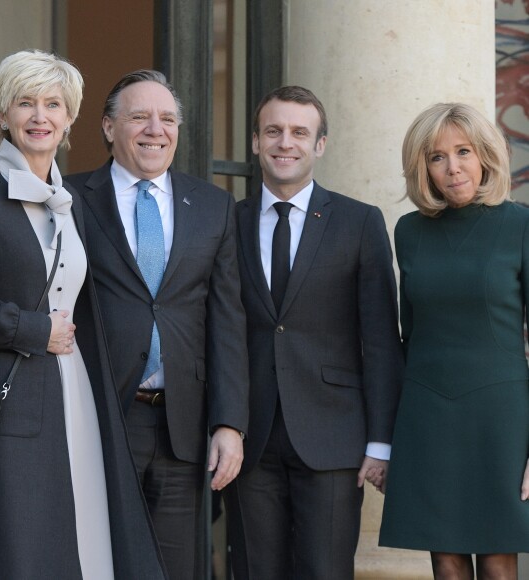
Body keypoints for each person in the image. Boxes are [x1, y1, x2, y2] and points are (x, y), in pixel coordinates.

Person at [0, 50, 166, 579]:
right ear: (3, 114)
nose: (40, 116)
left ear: (70, 119)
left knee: (81, 542)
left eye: (53, 104)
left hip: (74, 396)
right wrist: (33, 328)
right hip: (7, 407)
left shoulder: (70, 201)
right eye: (25, 103)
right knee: (19, 550)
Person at [66, 69, 249, 580]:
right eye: (140, 116)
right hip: (100, 415)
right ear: (108, 127)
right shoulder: (72, 199)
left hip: (182, 425)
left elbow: (228, 319)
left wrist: (229, 423)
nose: (155, 129)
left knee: (175, 567)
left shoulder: (213, 206)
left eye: (167, 118)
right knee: (100, 562)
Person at [224, 85, 404, 580]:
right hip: (249, 436)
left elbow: (383, 341)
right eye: (274, 131)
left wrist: (380, 442)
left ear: (320, 145)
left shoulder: (359, 222)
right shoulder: (227, 222)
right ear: (256, 142)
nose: (286, 142)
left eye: (300, 132)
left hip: (334, 437)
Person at [379, 102, 529, 580]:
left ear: (485, 155)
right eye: (437, 157)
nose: (453, 167)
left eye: (463, 151)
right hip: (427, 414)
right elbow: (405, 335)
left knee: (498, 559)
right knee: (443, 561)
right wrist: (386, 439)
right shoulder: (408, 231)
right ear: (422, 167)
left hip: (501, 416)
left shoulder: (520, 224)